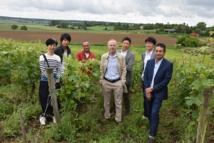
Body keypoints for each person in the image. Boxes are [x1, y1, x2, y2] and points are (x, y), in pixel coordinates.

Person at [143, 43, 173, 143]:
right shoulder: (149, 62)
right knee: (149, 112)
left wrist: (152, 89)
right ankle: (153, 126)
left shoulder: (168, 65)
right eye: (157, 51)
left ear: (164, 52)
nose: (158, 53)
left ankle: (152, 136)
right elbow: (146, 77)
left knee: (155, 112)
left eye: (160, 51)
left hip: (159, 92)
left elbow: (165, 81)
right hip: (148, 91)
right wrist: (147, 90)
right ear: (154, 52)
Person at [100, 39, 126, 125]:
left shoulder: (121, 57)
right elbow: (101, 69)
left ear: (116, 46)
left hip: (117, 83)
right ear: (108, 46)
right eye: (110, 45)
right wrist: (102, 80)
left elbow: (124, 69)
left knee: (118, 102)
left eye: (114, 45)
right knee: (106, 101)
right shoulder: (104, 56)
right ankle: (107, 116)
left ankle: (118, 119)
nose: (112, 47)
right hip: (106, 82)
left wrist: (122, 81)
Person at [39, 38, 62, 125]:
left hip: (55, 80)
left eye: (54, 45)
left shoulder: (57, 58)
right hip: (45, 80)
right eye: (50, 45)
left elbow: (59, 70)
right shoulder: (42, 57)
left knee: (55, 98)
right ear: (47, 46)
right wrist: (50, 80)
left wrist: (57, 79)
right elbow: (43, 70)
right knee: (44, 98)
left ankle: (54, 115)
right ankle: (43, 116)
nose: (52, 47)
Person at [117, 37, 135, 115]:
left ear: (129, 45)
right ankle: (116, 110)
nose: (125, 45)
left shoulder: (131, 55)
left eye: (127, 44)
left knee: (126, 96)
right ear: (121, 43)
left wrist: (118, 67)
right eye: (124, 43)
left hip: (126, 79)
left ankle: (127, 111)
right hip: (116, 79)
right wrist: (125, 66)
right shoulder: (116, 52)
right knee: (116, 96)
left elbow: (130, 68)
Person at [142, 37, 156, 119]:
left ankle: (151, 114)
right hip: (144, 78)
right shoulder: (144, 54)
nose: (148, 44)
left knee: (151, 96)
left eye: (150, 43)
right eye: (147, 43)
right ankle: (146, 114)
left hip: (152, 79)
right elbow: (143, 66)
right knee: (145, 96)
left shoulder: (155, 54)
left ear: (153, 45)